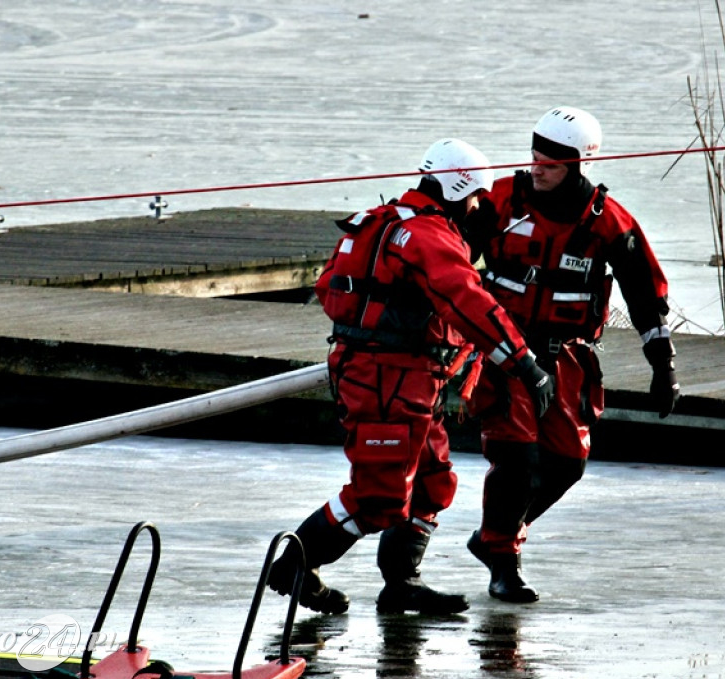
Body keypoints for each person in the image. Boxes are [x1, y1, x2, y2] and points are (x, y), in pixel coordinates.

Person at [266, 138, 555, 616]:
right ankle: (295, 565)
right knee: (377, 496)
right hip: (387, 380)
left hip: (408, 378)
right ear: (459, 186)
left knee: (432, 483)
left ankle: (401, 583)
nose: (480, 206)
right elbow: (469, 302)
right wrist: (524, 364)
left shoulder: (379, 222)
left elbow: (330, 287)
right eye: (476, 196)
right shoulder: (427, 235)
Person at [461, 106, 680, 603]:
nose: (536, 169)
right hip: (503, 352)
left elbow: (646, 296)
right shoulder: (499, 201)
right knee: (514, 458)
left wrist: (663, 368)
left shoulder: (609, 222)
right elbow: (447, 257)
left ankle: (494, 536)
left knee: (565, 465)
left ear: (579, 166)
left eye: (551, 164)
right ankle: (503, 562)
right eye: (534, 158)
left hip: (566, 357)